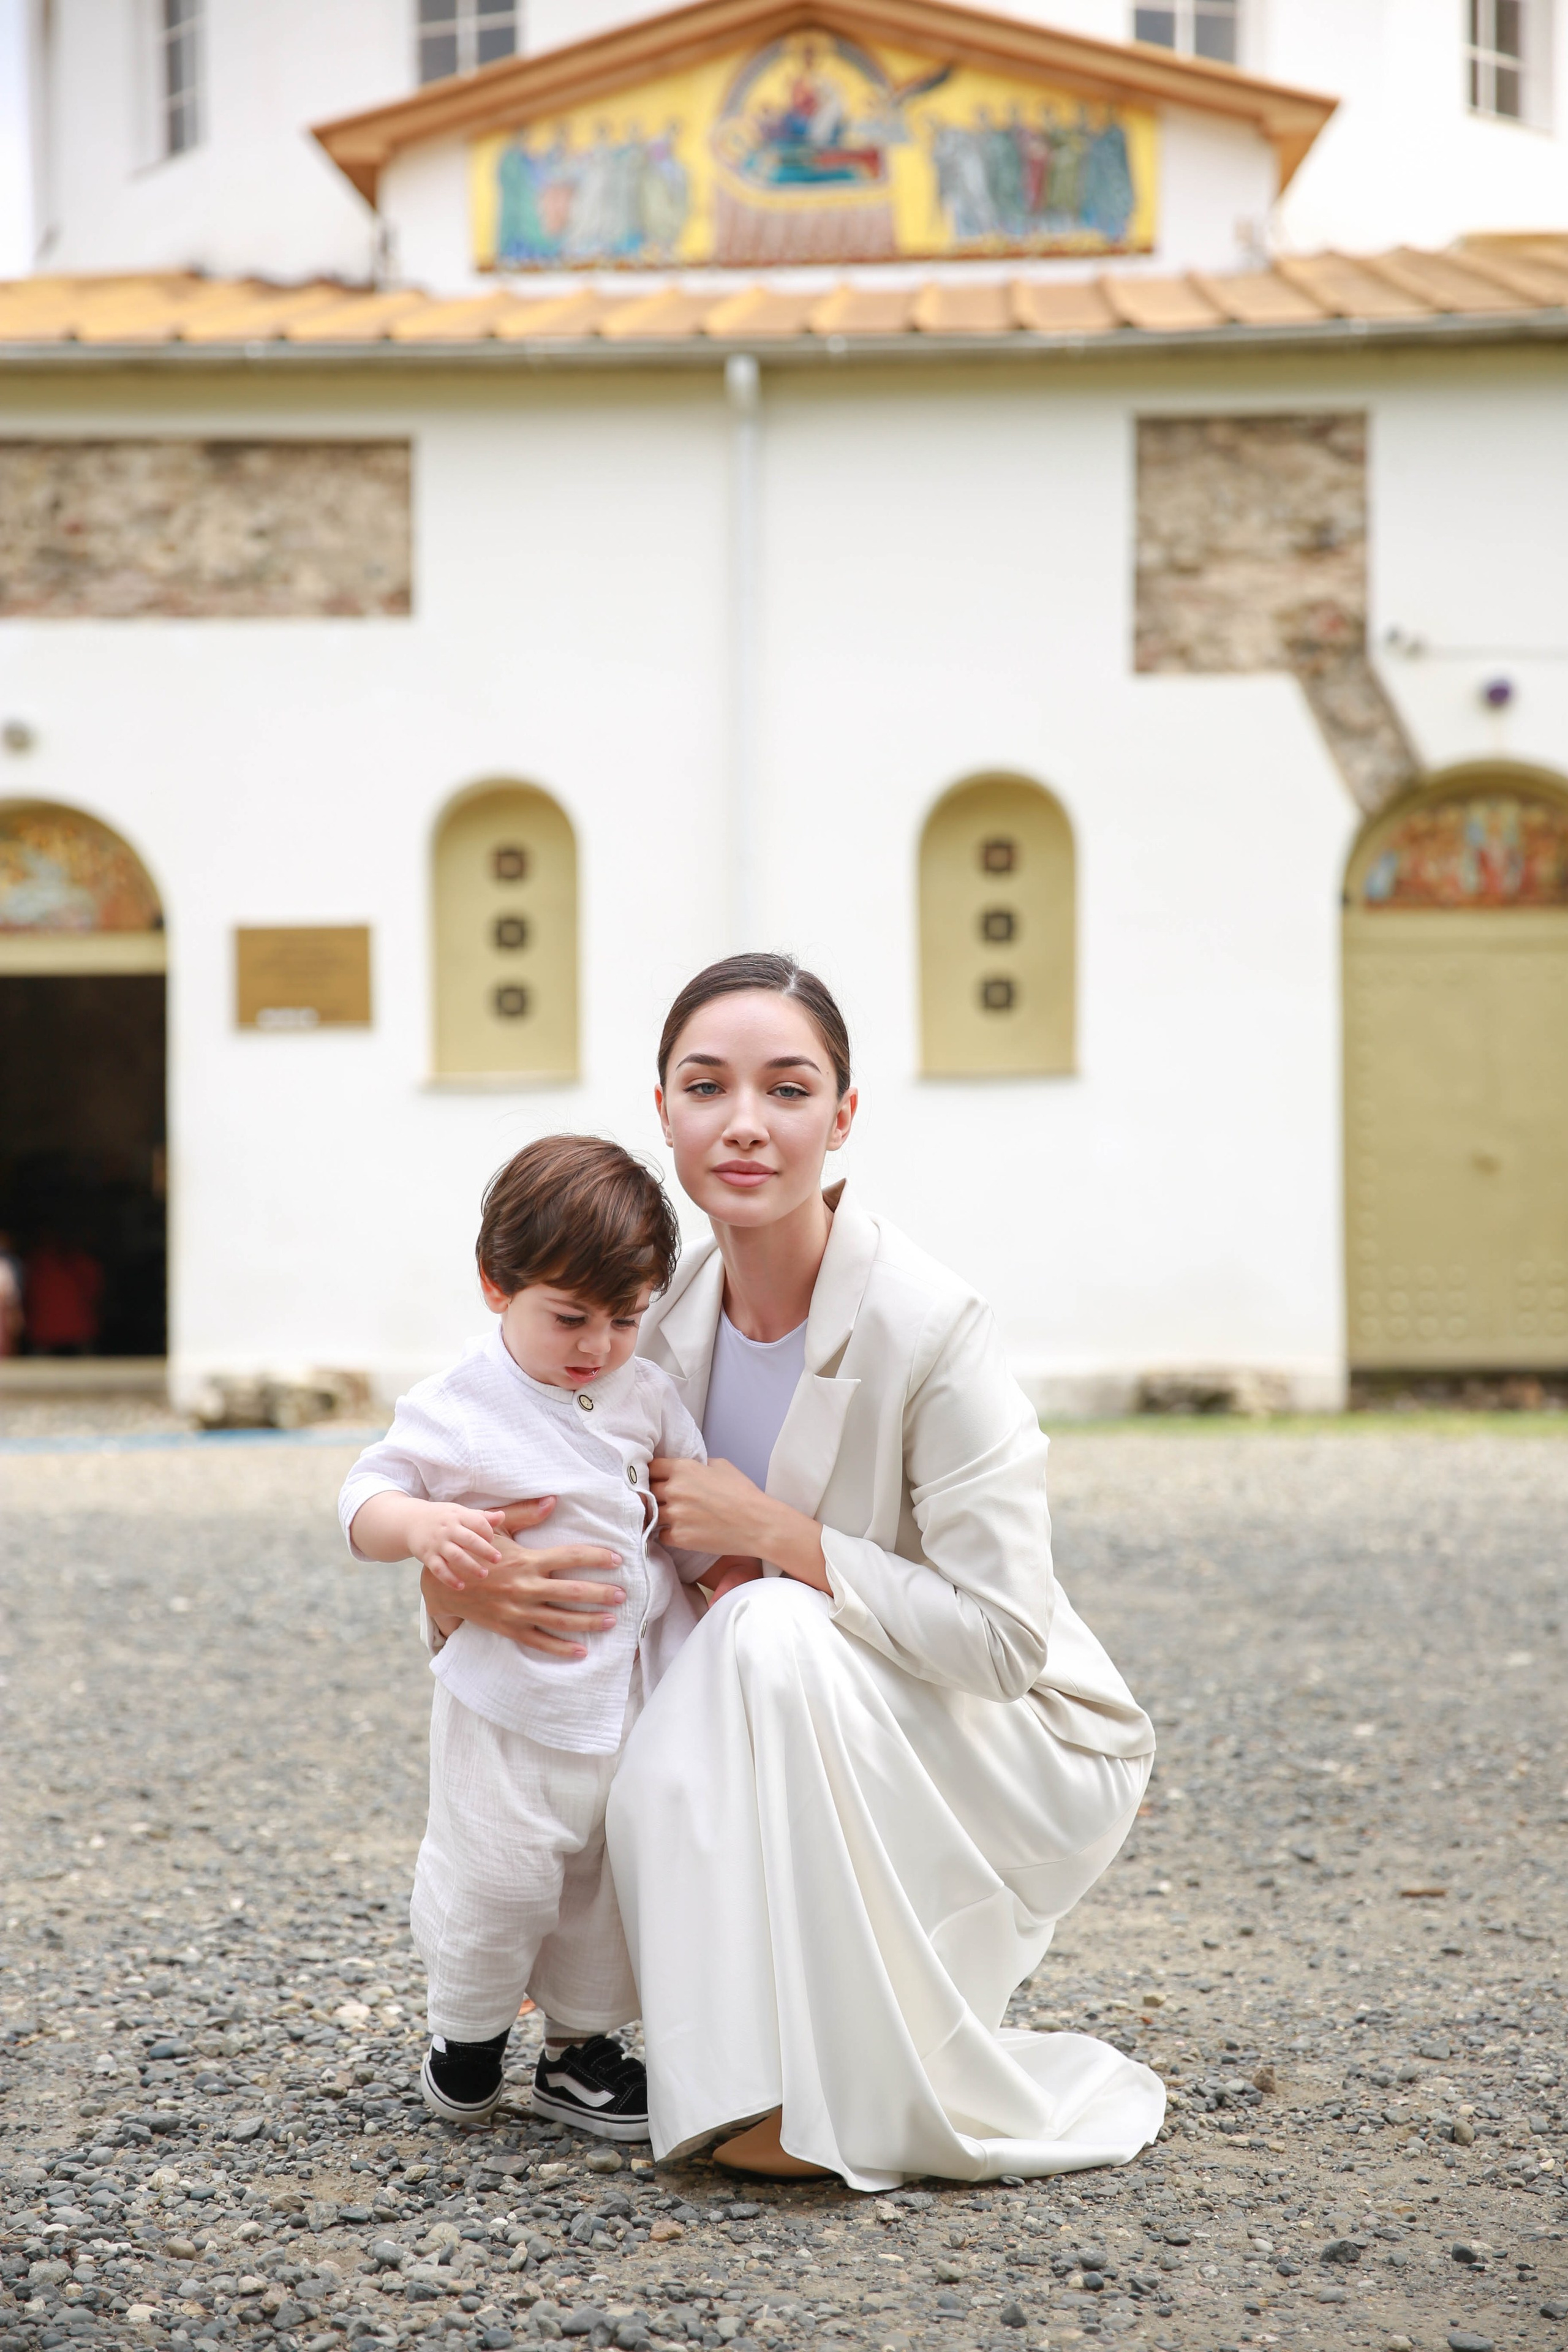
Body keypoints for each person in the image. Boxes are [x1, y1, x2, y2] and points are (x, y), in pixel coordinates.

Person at [439, 954, 1163, 2191]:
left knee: (763, 1630)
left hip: (996, 1732)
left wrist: (775, 1535)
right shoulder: (633, 1317)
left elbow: (1004, 1642)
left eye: (786, 1089)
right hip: (766, 1710)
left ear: (841, 1117)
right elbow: (484, 1499)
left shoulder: (929, 1327)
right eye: (705, 1086)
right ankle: (659, 2051)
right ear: (661, 1109)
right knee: (683, 1668)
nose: (743, 1124)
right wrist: (466, 1589)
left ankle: (799, 2094)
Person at [339, 1135, 713, 2139]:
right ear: (495, 1284)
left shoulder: (646, 1397)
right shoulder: (463, 1401)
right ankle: (464, 2034)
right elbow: (365, 1493)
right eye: (570, 1317)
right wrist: (424, 1530)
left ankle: (577, 2053)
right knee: (497, 1877)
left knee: (606, 1889)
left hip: (626, 1699)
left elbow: (692, 1499)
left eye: (625, 1318)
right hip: (507, 1705)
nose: (597, 1345)